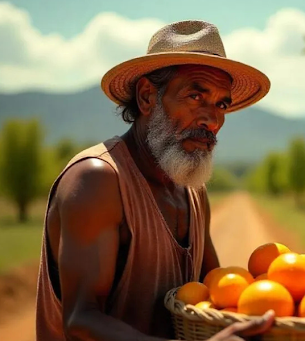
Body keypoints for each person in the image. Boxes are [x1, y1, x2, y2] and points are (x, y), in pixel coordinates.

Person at [35, 20, 275, 341]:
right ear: (147, 97)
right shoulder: (98, 179)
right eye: (195, 96)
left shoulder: (192, 191)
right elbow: (81, 320)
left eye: (221, 104)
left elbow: (212, 294)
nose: (212, 119)